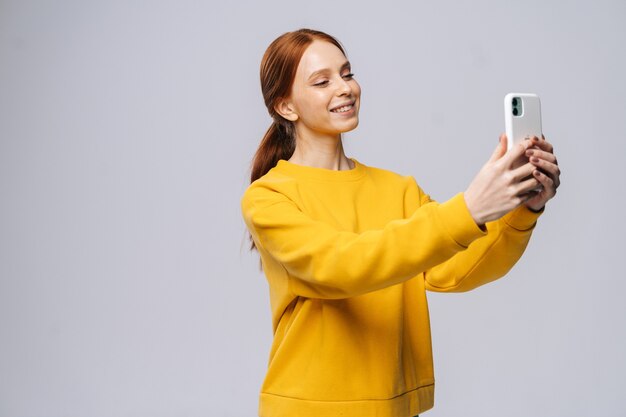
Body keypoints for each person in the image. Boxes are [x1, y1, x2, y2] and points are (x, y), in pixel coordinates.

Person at [240, 28, 560, 417]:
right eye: (322, 81)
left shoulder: (398, 189)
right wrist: (470, 208)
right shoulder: (270, 196)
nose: (344, 88)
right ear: (286, 107)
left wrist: (523, 210)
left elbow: (457, 269)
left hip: (395, 406)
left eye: (347, 73)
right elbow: (339, 266)